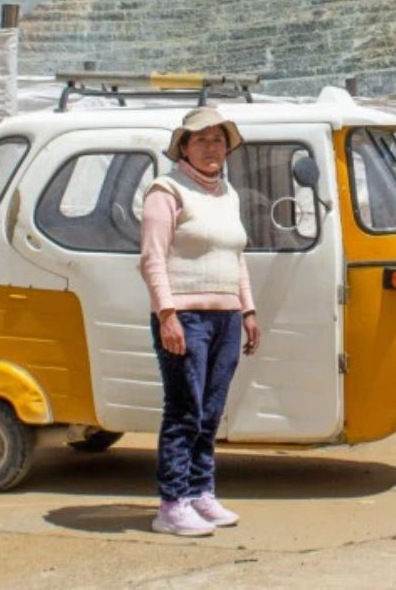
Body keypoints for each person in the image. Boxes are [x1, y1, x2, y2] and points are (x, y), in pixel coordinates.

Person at [139, 106, 261, 537]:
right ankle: (171, 504)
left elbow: (236, 256)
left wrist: (247, 310)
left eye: (219, 141)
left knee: (211, 412)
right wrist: (167, 314)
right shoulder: (166, 190)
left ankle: (200, 492)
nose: (212, 148)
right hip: (185, 316)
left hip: (225, 317)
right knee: (185, 409)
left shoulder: (228, 195)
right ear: (184, 147)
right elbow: (152, 259)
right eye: (202, 140)